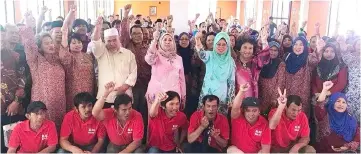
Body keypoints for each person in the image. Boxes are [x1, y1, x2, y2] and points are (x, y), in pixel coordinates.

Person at [19, 12, 66, 127]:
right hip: (42, 105)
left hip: (60, 104)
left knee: (59, 131)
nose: (50, 45)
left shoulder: (57, 59)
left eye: (51, 43)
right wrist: (29, 25)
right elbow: (29, 45)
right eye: (46, 43)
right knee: (43, 131)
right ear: (39, 46)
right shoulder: (35, 60)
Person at [91, 16, 137, 108]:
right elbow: (95, 41)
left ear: (118, 39)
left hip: (125, 96)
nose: (112, 43)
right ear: (104, 41)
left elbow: (133, 73)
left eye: (114, 40)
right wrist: (97, 28)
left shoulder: (128, 54)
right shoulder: (101, 52)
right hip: (105, 98)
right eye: (109, 41)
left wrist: (124, 87)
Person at [59, 5, 94, 111]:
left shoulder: (88, 56)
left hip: (89, 89)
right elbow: (64, 30)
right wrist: (71, 13)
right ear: (68, 45)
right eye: (73, 43)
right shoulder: (68, 57)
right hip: (74, 92)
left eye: (79, 42)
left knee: (88, 113)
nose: (77, 45)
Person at [92, 82, 144, 153]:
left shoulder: (137, 115)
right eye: (124, 110)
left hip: (132, 145)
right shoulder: (109, 113)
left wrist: (124, 152)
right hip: (114, 146)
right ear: (115, 110)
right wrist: (106, 94)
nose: (128, 112)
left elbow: (137, 141)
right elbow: (95, 112)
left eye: (130, 108)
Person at [194, 31, 236, 115]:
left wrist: (230, 99)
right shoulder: (210, 55)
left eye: (224, 44)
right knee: (204, 118)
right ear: (215, 44)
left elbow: (231, 81)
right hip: (207, 93)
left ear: (228, 45)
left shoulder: (230, 61)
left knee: (219, 120)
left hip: (222, 95)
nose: (221, 47)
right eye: (218, 44)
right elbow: (201, 53)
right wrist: (197, 39)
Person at [145, 29, 186, 110]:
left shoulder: (178, 58)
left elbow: (182, 79)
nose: (167, 42)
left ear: (173, 42)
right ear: (160, 42)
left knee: (172, 119)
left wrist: (183, 95)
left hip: (173, 95)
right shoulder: (156, 55)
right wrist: (155, 40)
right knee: (156, 119)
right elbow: (149, 59)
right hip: (157, 94)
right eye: (165, 39)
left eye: (170, 40)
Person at [314, 81, 360, 153]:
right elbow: (319, 105)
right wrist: (324, 90)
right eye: (338, 101)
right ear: (332, 102)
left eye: (344, 102)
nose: (341, 104)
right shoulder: (324, 116)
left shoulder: (351, 120)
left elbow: (357, 139)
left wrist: (346, 147)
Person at [1, 28, 27, 152]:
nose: (15, 35)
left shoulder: (17, 56)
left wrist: (16, 101)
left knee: (13, 142)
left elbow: (22, 79)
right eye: (12, 32)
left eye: (17, 33)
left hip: (12, 106)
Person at [227, 83, 271, 153]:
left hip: (255, 152)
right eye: (248, 110)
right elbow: (235, 108)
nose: (251, 114)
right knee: (232, 150)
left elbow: (266, 149)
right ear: (243, 111)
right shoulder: (237, 117)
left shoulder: (264, 124)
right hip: (237, 150)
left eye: (254, 110)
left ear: (259, 111)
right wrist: (241, 91)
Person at [284, 35, 320, 117]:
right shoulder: (288, 57)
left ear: (305, 46)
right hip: (288, 93)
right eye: (296, 44)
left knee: (300, 118)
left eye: (301, 44)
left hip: (302, 96)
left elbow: (316, 60)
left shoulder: (308, 58)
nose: (298, 47)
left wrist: (317, 35)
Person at [259, 40, 286, 114]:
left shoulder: (281, 64)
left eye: (275, 50)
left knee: (271, 114)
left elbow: (280, 82)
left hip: (273, 95)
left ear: (278, 52)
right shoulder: (262, 61)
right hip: (261, 94)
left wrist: (274, 98)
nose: (273, 52)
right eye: (270, 49)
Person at [341, 38, 360, 122]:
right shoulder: (351, 58)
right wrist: (344, 46)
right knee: (350, 119)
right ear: (354, 46)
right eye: (359, 44)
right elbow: (344, 54)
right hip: (352, 94)